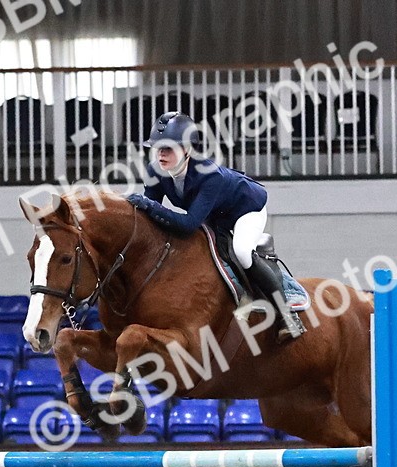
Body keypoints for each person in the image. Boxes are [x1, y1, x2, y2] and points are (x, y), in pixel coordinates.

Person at [126, 112, 305, 341]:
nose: (161, 153)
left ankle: (287, 317)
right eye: (157, 147)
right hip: (214, 214)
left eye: (168, 148)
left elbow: (188, 223)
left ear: (187, 150)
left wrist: (148, 206)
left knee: (241, 252)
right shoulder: (154, 171)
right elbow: (151, 219)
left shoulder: (209, 176)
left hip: (245, 209)